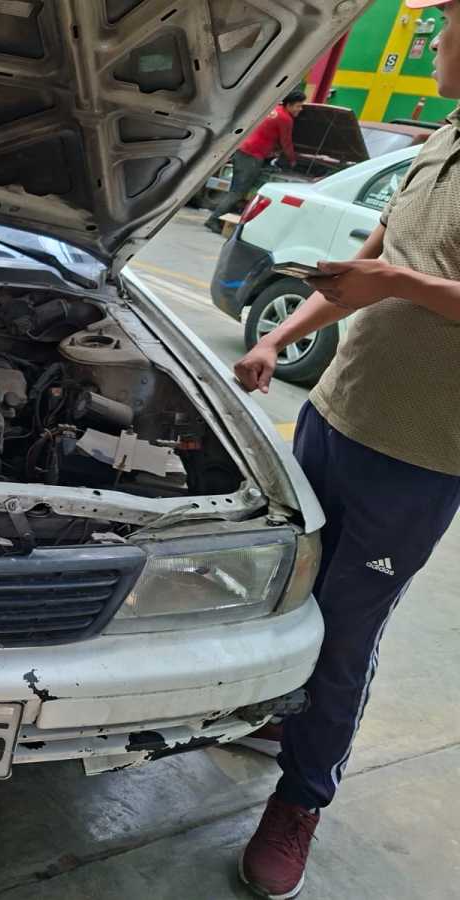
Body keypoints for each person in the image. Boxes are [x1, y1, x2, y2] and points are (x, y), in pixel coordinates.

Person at [232, 3, 460, 896]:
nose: (435, 43)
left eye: (449, 25)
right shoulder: (444, 138)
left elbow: (392, 275)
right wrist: (277, 337)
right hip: (335, 413)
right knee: (286, 588)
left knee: (345, 628)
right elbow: (368, 264)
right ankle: (281, 717)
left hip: (422, 453)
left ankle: (301, 799)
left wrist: (398, 280)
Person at [205, 91, 306, 232]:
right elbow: (286, 142)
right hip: (252, 156)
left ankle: (223, 220)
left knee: (235, 190)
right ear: (289, 105)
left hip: (243, 150)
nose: (300, 109)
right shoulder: (285, 119)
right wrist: (292, 160)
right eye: (298, 106)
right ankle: (213, 220)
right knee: (238, 192)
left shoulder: (274, 110)